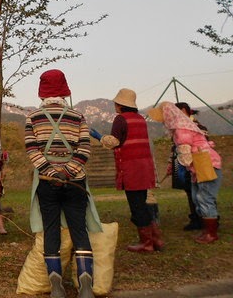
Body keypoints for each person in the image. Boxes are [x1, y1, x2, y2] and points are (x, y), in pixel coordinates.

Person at [25, 69, 99, 298]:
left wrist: (51, 172)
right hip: (75, 180)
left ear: (42, 92)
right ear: (64, 90)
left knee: (51, 230)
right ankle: (86, 286)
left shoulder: (32, 118)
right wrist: (68, 171)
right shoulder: (78, 117)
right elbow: (85, 148)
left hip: (47, 182)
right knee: (79, 229)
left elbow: (32, 149)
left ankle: (56, 287)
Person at [98, 88, 162, 253]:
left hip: (131, 168)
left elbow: (115, 142)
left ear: (119, 104)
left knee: (137, 205)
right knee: (144, 201)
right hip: (145, 166)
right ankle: (156, 239)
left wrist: (99, 137)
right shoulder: (140, 118)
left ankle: (146, 243)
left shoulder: (120, 119)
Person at [149, 101, 222, 244]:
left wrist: (180, 164)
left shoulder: (182, 130)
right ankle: (206, 230)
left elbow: (185, 153)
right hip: (199, 165)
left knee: (204, 198)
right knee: (196, 197)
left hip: (206, 164)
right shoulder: (182, 127)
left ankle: (211, 233)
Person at [165, 102, 207, 231]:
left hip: (199, 161)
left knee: (203, 191)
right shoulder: (179, 128)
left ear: (183, 111)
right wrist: (171, 163)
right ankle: (195, 218)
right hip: (183, 163)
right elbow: (176, 146)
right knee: (190, 191)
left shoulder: (197, 127)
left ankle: (208, 219)